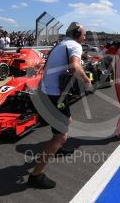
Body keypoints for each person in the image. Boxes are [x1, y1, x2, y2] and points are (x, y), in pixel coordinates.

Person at [28, 22, 93, 189]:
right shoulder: (74, 46)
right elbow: (75, 66)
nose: (85, 37)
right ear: (77, 33)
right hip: (56, 94)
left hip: (47, 91)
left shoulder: (61, 44)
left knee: (67, 120)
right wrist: (87, 81)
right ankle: (35, 176)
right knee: (61, 136)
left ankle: (56, 149)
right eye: (84, 34)